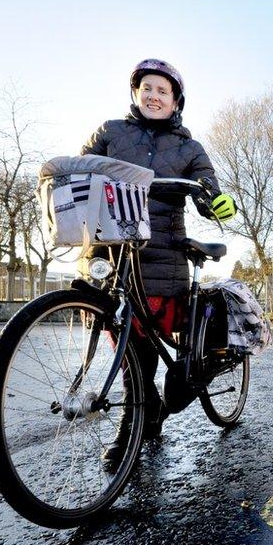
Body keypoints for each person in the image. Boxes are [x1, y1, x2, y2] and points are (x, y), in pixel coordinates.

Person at [82, 58, 236, 471]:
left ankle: (138, 419)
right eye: (147, 88)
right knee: (129, 343)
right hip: (112, 251)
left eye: (162, 91)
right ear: (136, 93)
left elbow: (207, 184)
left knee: (147, 344)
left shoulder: (189, 147)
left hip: (163, 254)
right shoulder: (110, 132)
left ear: (175, 101)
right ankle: (140, 417)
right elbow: (81, 172)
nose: (153, 95)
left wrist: (214, 199)